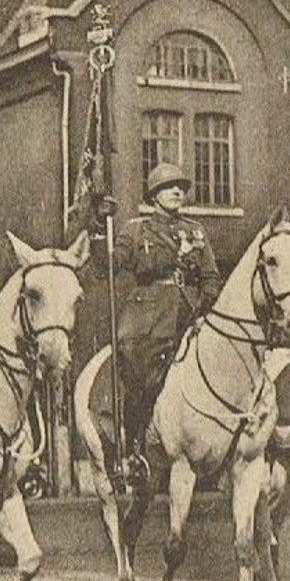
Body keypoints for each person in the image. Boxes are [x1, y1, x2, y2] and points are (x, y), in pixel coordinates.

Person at [92, 162, 222, 478]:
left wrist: (206, 299)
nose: (177, 191)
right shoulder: (136, 230)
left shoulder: (196, 231)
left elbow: (210, 275)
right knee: (138, 366)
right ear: (154, 194)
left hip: (190, 310)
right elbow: (105, 267)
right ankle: (136, 443)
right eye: (169, 187)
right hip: (148, 313)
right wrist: (98, 227)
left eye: (180, 187)